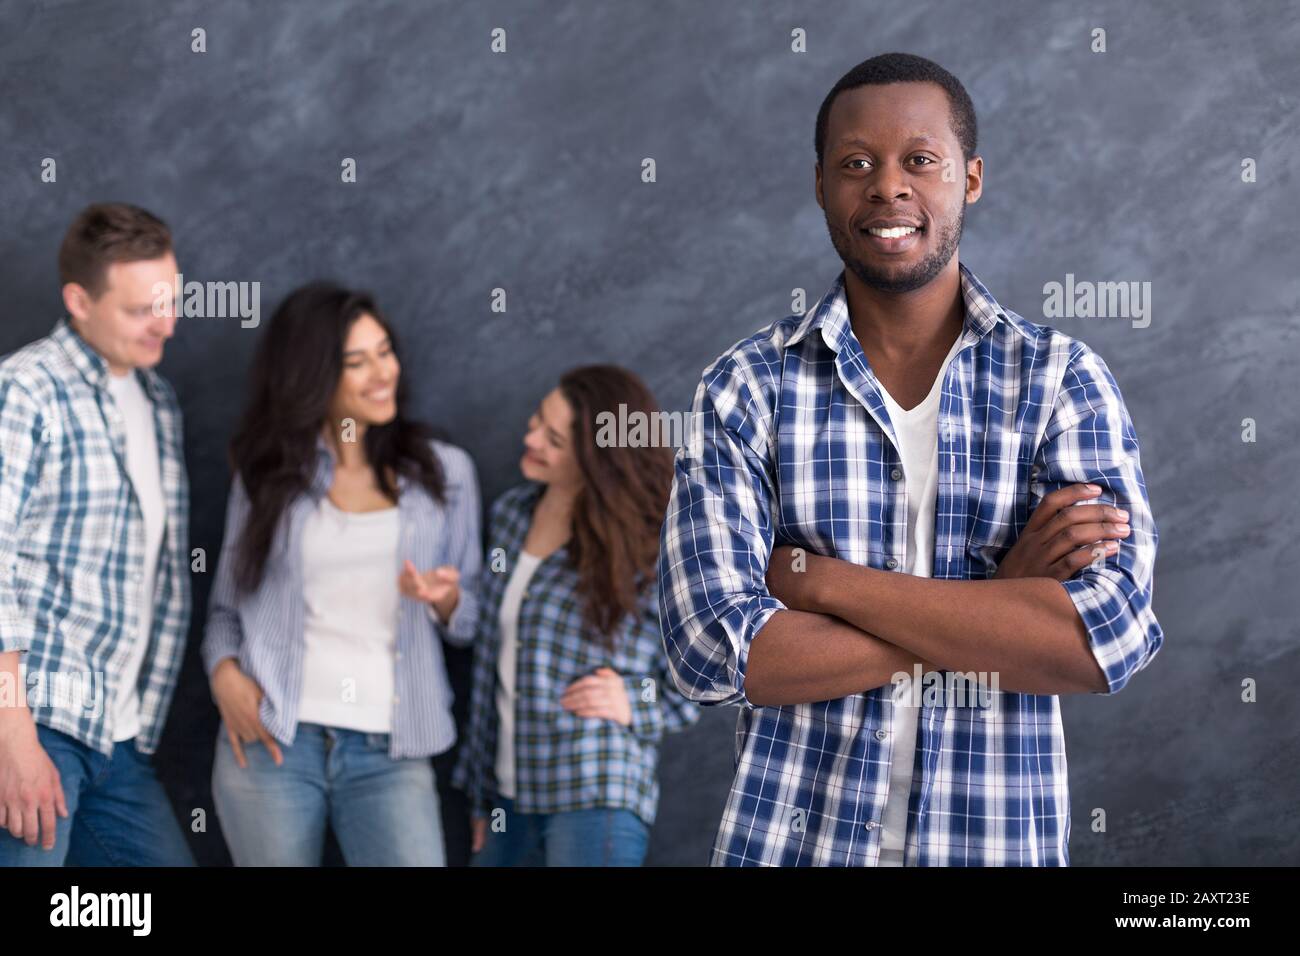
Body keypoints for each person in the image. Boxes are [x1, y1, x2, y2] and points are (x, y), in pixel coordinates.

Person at [658, 53, 1164, 866]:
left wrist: (820, 583)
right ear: (821, 184)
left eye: (919, 161)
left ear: (969, 178)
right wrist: (997, 604)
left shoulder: (1060, 379)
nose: (887, 187)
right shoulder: (744, 389)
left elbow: (1106, 638)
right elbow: (713, 651)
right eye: (856, 163)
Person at [201, 282, 481, 866]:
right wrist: (224, 672)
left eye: (385, 351)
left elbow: (469, 622)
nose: (383, 373)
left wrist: (446, 599)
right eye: (357, 362)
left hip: (392, 750)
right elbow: (227, 608)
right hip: (275, 740)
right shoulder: (268, 475)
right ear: (314, 376)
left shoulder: (446, 475)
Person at [0, 202, 195, 865]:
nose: (165, 323)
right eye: (143, 308)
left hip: (119, 735)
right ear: (79, 300)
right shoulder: (28, 389)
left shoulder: (159, 403)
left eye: (170, 300)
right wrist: (12, 737)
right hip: (38, 725)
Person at [453, 366, 700, 866]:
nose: (531, 439)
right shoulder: (511, 514)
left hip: (595, 787)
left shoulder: (652, 545)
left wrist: (633, 699)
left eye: (554, 439)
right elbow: (488, 662)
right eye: (537, 422)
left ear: (595, 460)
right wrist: (482, 798)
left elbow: (702, 676)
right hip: (507, 792)